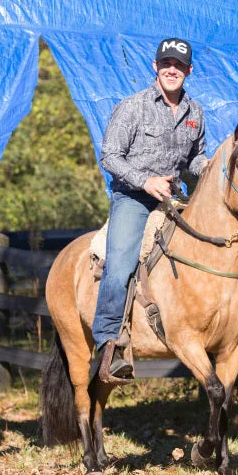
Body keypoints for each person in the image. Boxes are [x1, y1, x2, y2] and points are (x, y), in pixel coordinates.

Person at [92, 37, 208, 381]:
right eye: (167, 64)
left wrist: (215, 167)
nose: (173, 70)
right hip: (133, 197)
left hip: (172, 196)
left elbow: (194, 161)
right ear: (155, 67)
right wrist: (145, 181)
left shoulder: (195, 112)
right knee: (121, 262)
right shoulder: (133, 107)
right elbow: (110, 156)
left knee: (215, 242)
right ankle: (109, 344)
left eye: (180, 65)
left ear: (189, 71)